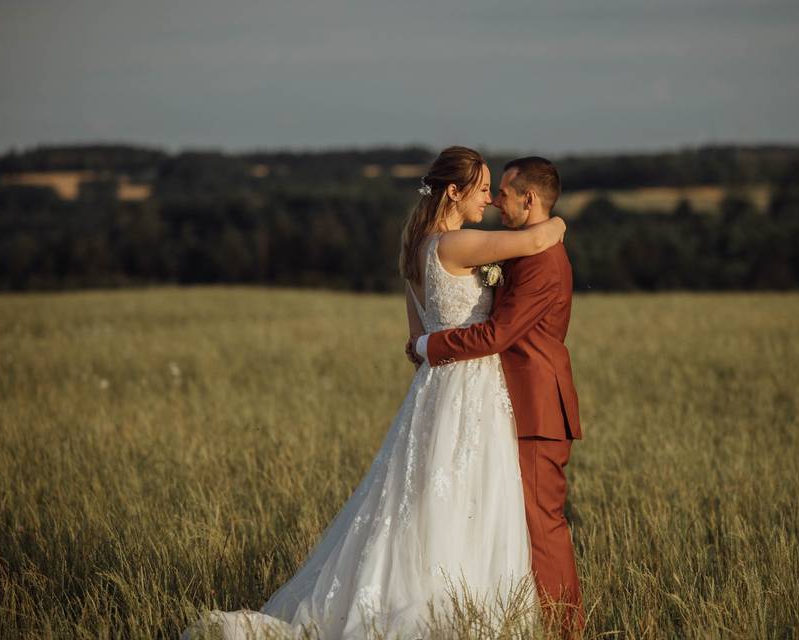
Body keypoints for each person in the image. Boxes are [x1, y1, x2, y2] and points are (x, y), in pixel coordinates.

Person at [180, 146, 566, 640]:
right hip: (470, 386)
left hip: (433, 387)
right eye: (483, 187)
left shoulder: (415, 251)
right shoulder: (457, 246)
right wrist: (558, 226)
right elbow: (535, 242)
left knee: (423, 500)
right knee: (468, 499)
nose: (490, 199)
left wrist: (430, 358)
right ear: (454, 191)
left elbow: (416, 343)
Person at [407, 156, 585, 637]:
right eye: (487, 190)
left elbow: (498, 332)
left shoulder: (542, 258)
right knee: (514, 521)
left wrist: (426, 345)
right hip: (504, 402)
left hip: (535, 407)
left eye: (501, 192)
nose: (494, 200)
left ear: (528, 199)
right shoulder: (517, 250)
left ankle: (565, 629)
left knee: (542, 526)